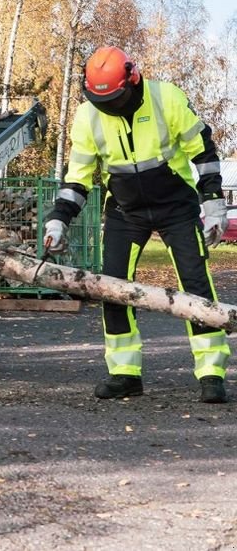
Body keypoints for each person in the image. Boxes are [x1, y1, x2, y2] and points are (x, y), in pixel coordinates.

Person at [44, 45, 230, 403]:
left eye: (115, 98)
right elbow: (78, 179)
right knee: (112, 287)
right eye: (102, 100)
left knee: (196, 285)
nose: (109, 107)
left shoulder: (166, 98)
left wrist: (214, 203)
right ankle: (124, 374)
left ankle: (211, 373)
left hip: (176, 205)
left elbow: (203, 152)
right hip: (125, 212)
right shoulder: (87, 117)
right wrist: (58, 221)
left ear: (132, 79)